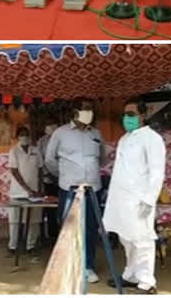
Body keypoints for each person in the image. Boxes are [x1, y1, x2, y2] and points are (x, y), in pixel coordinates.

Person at [103, 99, 166, 294]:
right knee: (126, 239)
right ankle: (130, 276)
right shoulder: (124, 139)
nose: (127, 118)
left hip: (139, 200)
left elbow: (157, 172)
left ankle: (147, 282)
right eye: (125, 114)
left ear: (143, 115)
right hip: (121, 199)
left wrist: (149, 200)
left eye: (131, 114)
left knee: (142, 240)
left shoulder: (152, 138)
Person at [45, 98, 105, 283]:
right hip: (69, 190)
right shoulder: (60, 133)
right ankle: (70, 267)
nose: (89, 112)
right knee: (69, 229)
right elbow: (50, 160)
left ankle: (88, 266)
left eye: (91, 109)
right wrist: (65, 176)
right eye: (85, 109)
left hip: (93, 189)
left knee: (91, 229)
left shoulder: (96, 133)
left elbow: (101, 159)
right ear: (75, 112)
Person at [7, 126, 43, 256]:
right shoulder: (14, 151)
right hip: (18, 191)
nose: (25, 137)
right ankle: (13, 245)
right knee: (15, 220)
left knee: (34, 219)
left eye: (27, 134)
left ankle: (30, 246)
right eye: (22, 135)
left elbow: (40, 170)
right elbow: (14, 171)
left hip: (35, 191)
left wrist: (39, 188)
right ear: (17, 137)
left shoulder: (36, 150)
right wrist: (26, 189)